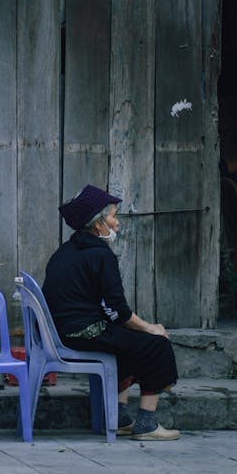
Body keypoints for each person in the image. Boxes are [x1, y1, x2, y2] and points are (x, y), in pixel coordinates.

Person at [42, 183, 180, 441]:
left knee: (126, 344)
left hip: (65, 330)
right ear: (98, 224)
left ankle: (120, 418)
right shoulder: (100, 255)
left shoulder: (65, 251)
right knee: (156, 345)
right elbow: (118, 310)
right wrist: (150, 328)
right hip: (81, 332)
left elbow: (111, 310)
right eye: (113, 216)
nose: (117, 223)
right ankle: (147, 425)